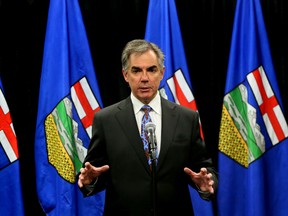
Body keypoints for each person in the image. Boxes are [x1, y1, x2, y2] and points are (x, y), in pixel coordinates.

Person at [78, 39, 218, 216]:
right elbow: (94, 172)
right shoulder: (106, 120)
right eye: (136, 70)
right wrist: (90, 180)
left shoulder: (186, 118)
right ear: (125, 75)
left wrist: (205, 183)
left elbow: (204, 168)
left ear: (162, 73)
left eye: (151, 70)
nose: (144, 78)